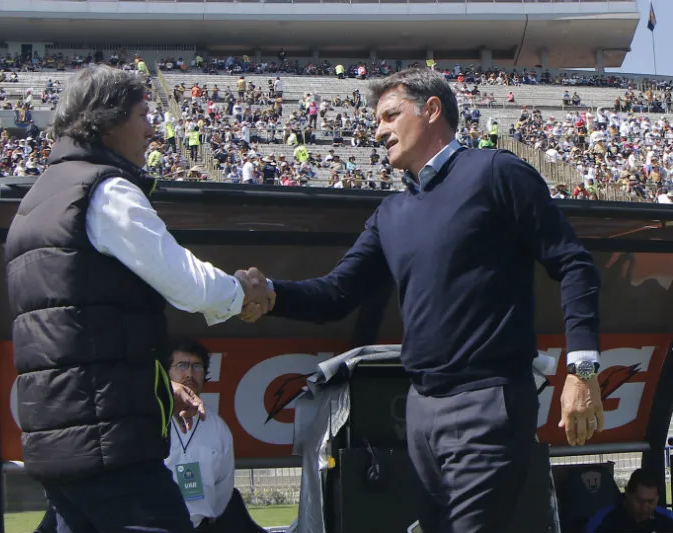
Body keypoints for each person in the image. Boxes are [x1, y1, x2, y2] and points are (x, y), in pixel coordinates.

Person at [238, 68, 604, 533]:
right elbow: (336, 293)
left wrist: (583, 369)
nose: (378, 131)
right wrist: (269, 293)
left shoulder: (496, 172)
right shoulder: (390, 212)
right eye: (377, 121)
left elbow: (575, 264)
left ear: (431, 110)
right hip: (419, 410)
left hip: (488, 401)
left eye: (390, 115)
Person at [4, 65, 270, 533]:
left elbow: (76, 339)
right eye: (143, 114)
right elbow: (189, 285)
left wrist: (160, 392)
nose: (152, 129)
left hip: (58, 442)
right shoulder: (104, 190)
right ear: (107, 121)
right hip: (110, 448)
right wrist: (241, 293)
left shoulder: (37, 200)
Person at [164, 338, 267, 533]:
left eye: (197, 367)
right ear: (166, 373)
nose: (189, 374)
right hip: (159, 525)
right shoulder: (150, 419)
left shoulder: (218, 427)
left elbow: (223, 490)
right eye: (182, 366)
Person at [585, 468, 673, 532]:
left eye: (651, 501)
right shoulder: (603, 521)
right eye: (639, 501)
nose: (645, 507)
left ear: (658, 497)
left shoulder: (667, 519)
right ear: (627, 492)